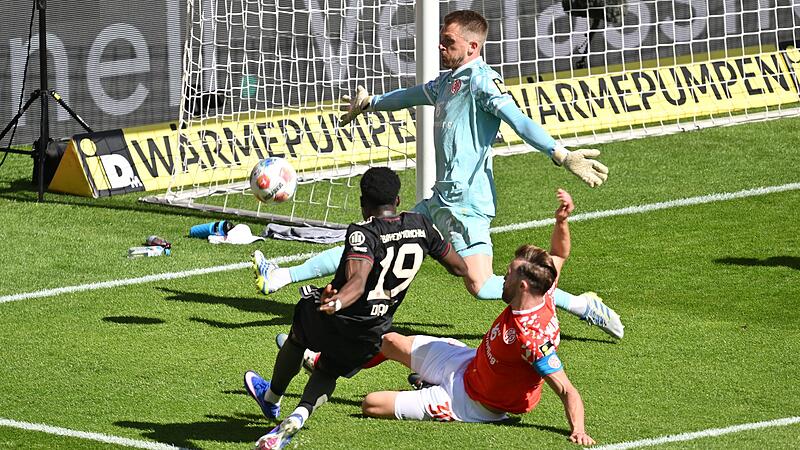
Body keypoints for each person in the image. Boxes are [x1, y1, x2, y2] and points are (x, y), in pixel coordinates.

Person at [252, 9, 623, 339]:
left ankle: (578, 304)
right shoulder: (448, 81)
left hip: (467, 206)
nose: (441, 48)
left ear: (473, 47)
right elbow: (414, 94)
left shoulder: (482, 82)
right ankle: (281, 276)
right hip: (438, 200)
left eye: (449, 42)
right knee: (368, 242)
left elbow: (519, 121)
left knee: (479, 285)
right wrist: (373, 103)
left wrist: (561, 154)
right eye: (441, 41)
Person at [243, 167, 467, 450]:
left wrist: (336, 302)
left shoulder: (364, 233)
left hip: (338, 316)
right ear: (397, 200)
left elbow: (358, 282)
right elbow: (459, 267)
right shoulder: (421, 224)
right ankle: (299, 416)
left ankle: (271, 398)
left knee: (298, 335)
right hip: (373, 331)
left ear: (363, 203)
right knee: (327, 372)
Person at [360, 189, 596, 446]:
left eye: (509, 274)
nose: (504, 276)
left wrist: (579, 430)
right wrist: (561, 221)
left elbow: (565, 389)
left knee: (371, 404)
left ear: (523, 287)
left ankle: (430, 389)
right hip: (469, 362)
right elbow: (559, 254)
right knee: (390, 341)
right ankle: (325, 361)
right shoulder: (545, 290)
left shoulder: (531, 340)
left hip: (471, 402)